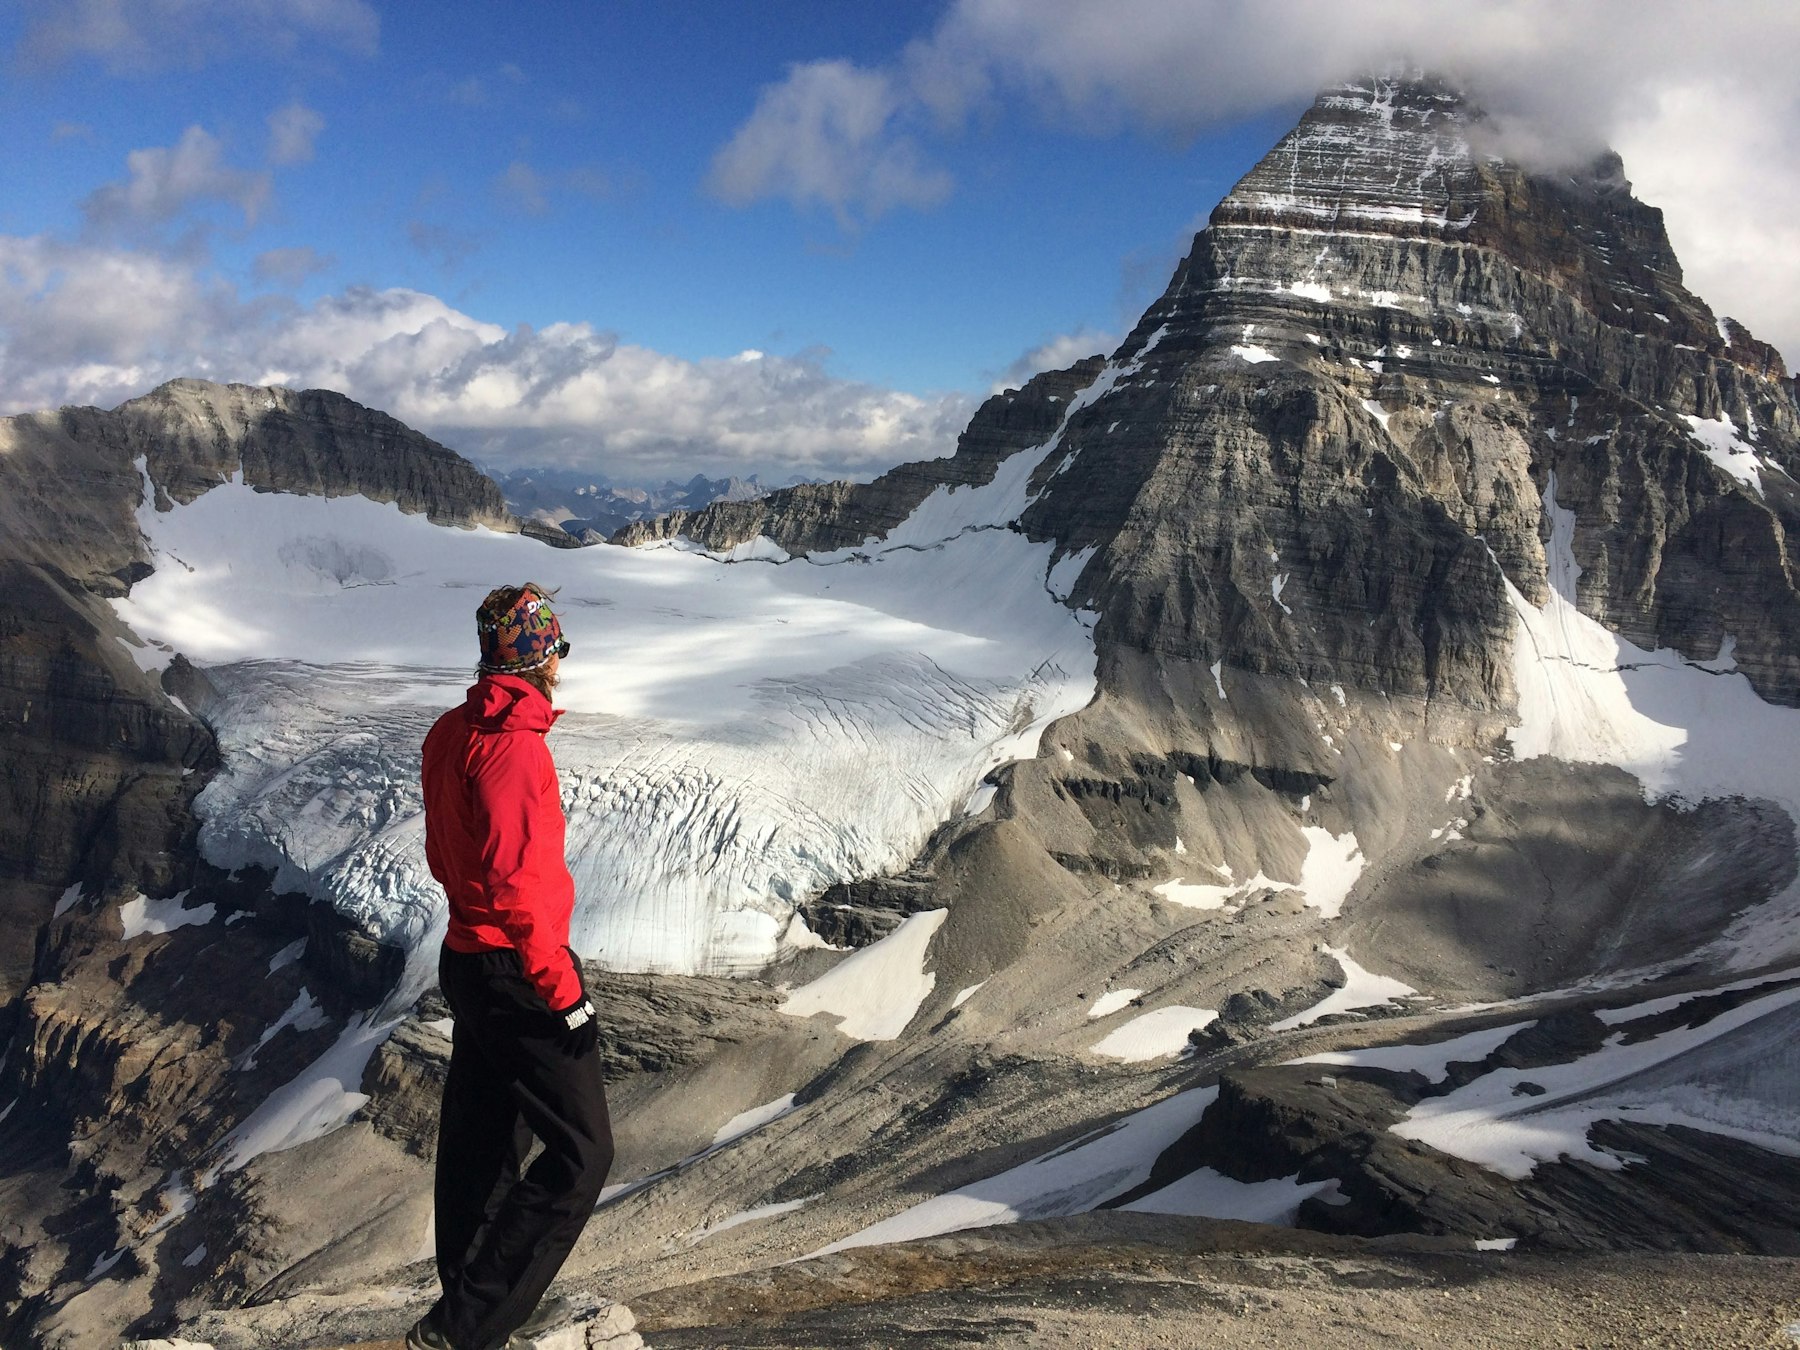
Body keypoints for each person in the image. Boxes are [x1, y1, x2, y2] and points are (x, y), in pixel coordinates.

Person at [410, 582, 613, 1350]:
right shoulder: (514, 747)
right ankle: (465, 1329)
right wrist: (562, 993)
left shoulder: (449, 733)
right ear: (537, 656)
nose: (559, 663)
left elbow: (444, 856)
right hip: (516, 969)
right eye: (554, 648)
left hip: (466, 958)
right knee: (583, 1151)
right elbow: (518, 884)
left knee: (483, 1133)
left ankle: (463, 1298)